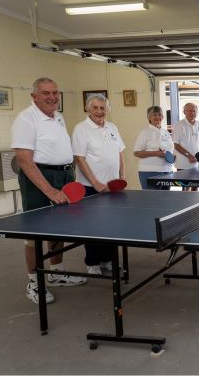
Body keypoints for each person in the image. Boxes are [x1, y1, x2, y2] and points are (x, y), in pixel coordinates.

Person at [11, 77, 86, 304]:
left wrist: (67, 177)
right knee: (34, 232)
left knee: (58, 228)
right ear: (34, 96)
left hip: (63, 175)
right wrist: (50, 190)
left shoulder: (58, 117)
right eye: (46, 93)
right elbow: (24, 160)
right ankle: (34, 282)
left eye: (55, 92)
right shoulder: (26, 119)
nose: (52, 97)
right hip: (40, 177)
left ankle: (56, 272)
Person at [72, 94, 125, 275]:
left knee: (111, 225)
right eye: (95, 108)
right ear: (88, 108)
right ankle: (92, 262)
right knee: (93, 227)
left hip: (112, 187)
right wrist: (95, 183)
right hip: (90, 187)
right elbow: (79, 158)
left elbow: (119, 153)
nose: (99, 111)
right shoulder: (81, 129)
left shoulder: (113, 127)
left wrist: (121, 177)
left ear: (107, 109)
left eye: (103, 108)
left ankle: (107, 259)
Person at [133, 105, 175, 190]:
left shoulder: (166, 132)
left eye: (159, 115)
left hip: (167, 171)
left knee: (166, 200)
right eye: (154, 115)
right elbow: (136, 152)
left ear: (162, 117)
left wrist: (172, 157)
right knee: (151, 200)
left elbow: (170, 150)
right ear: (149, 117)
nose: (157, 117)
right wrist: (156, 153)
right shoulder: (144, 132)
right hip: (149, 172)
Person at [172, 103, 199, 191]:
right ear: (184, 112)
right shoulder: (179, 125)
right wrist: (189, 155)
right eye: (189, 111)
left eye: (194, 111)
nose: (192, 113)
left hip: (197, 163)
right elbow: (175, 144)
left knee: (195, 187)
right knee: (185, 189)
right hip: (183, 164)